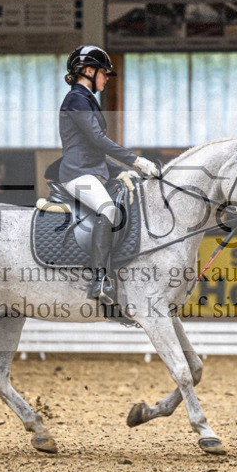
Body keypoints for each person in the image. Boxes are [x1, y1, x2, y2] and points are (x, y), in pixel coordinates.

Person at [58, 45, 160, 305]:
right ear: (88, 71)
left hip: (91, 172)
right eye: (103, 73)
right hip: (77, 174)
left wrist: (124, 171)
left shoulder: (86, 99)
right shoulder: (76, 99)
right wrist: (136, 161)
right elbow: (98, 140)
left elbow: (94, 149)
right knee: (108, 209)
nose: (106, 78)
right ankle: (99, 279)